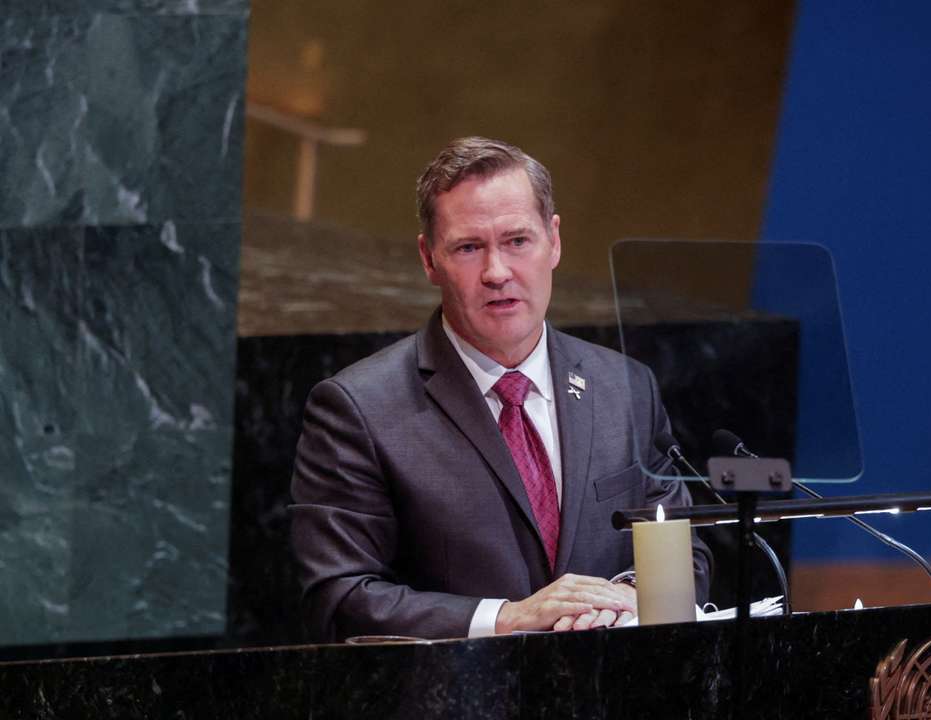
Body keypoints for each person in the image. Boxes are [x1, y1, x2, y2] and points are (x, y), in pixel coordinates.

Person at [290, 136, 712, 641]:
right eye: (469, 248)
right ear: (429, 259)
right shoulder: (359, 408)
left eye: (517, 241)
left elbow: (687, 549)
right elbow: (340, 596)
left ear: (554, 241)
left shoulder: (625, 387)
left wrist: (625, 597)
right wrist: (508, 618)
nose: (497, 272)